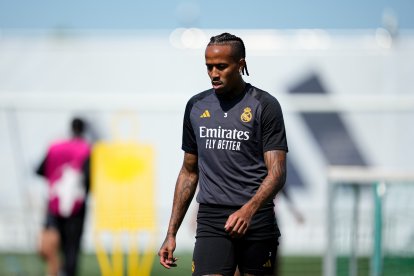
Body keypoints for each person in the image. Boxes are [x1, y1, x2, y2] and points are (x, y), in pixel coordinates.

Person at [158, 32, 288, 276]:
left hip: (256, 220)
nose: (214, 74)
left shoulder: (265, 105)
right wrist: (171, 233)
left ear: (241, 65)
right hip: (212, 219)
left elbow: (278, 172)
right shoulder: (196, 106)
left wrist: (248, 210)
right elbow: (189, 171)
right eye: (209, 67)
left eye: (221, 66)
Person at [36, 117, 91, 276]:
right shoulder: (86, 149)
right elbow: (89, 178)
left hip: (54, 205)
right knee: (71, 248)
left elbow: (40, 170)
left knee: (53, 249)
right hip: (76, 208)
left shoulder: (55, 147)